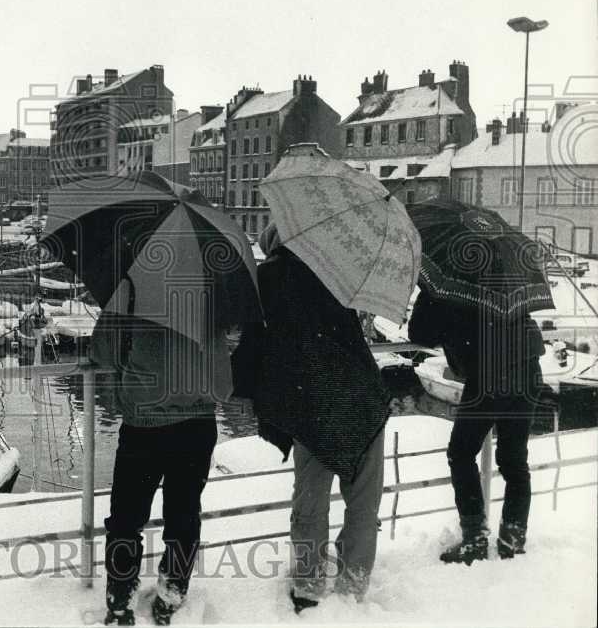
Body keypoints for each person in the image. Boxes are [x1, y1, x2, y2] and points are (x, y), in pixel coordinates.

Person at [231, 225, 389, 612]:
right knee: (363, 504)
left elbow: (253, 344)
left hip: (316, 402)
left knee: (311, 503)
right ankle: (353, 589)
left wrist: (241, 390)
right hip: (365, 396)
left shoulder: (268, 277)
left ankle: (308, 587)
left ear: (272, 247)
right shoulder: (337, 271)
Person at [90, 265, 232, 626]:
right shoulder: (215, 288)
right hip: (198, 421)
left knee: (126, 517)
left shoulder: (131, 283)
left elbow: (103, 351)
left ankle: (120, 596)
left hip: (145, 421)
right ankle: (172, 592)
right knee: (184, 514)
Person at [407, 287, 546, 564]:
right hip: (528, 367)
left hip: (490, 376)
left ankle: (475, 538)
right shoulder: (506, 275)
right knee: (514, 459)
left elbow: (420, 334)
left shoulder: (447, 284)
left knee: (460, 453)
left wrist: (427, 294)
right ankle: (513, 538)